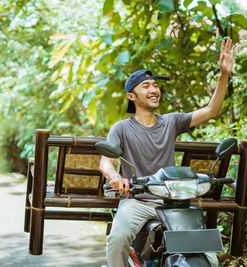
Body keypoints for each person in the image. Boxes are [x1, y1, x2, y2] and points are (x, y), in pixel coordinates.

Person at [99, 37, 235, 267]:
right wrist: (116, 178)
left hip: (173, 201)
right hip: (138, 200)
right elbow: (105, 162)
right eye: (146, 86)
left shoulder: (172, 121)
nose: (154, 89)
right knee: (118, 238)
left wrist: (224, 74)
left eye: (155, 85)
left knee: (209, 257)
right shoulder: (121, 128)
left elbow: (213, 110)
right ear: (132, 97)